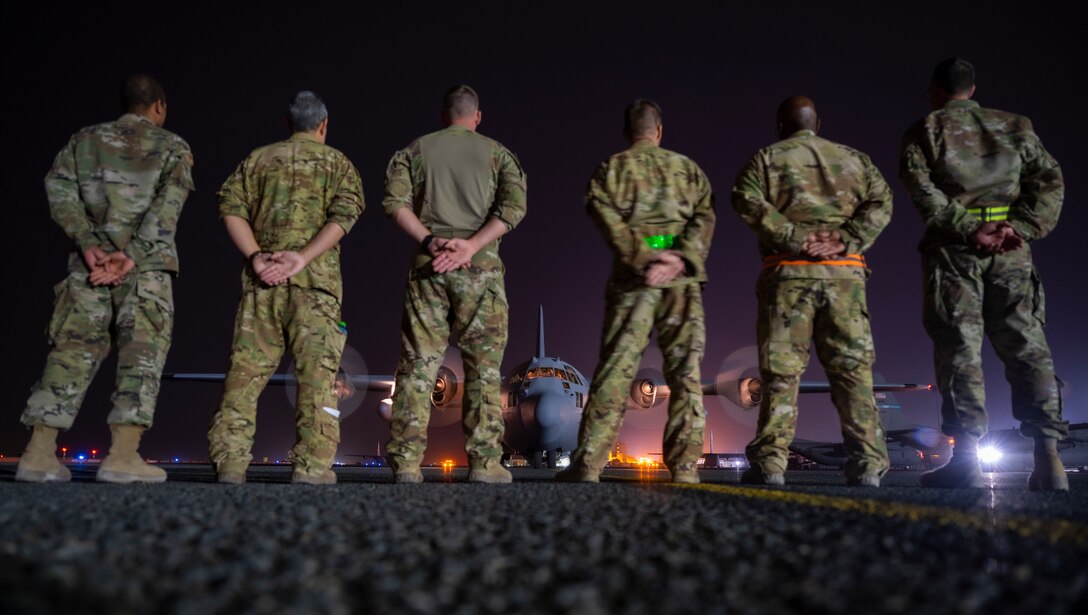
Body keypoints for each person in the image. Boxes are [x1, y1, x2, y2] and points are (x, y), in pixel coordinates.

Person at [16, 74, 194, 483]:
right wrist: (129, 256)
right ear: (159, 107)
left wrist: (87, 242)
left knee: (71, 352)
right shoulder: (172, 147)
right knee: (141, 357)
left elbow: (58, 189)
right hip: (145, 270)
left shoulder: (84, 141)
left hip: (90, 266)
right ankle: (122, 457)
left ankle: (38, 454)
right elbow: (167, 210)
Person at [900, 58, 1068, 490]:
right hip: (1011, 250)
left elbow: (926, 196)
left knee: (959, 355)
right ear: (971, 90)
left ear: (936, 90)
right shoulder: (1015, 125)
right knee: (1028, 347)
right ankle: (1049, 460)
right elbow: (1050, 181)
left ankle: (966, 462)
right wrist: (1020, 227)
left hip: (956, 255)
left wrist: (970, 228)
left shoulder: (926, 131)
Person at [733, 96, 892, 487]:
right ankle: (868, 466)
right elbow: (882, 203)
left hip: (789, 278)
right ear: (817, 122)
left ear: (780, 126)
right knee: (852, 373)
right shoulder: (856, 160)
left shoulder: (767, 159)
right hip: (845, 279)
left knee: (781, 376)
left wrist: (795, 237)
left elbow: (745, 198)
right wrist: (845, 239)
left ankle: (771, 465)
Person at [208, 91, 364, 485]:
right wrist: (303, 258)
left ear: (287, 124)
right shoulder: (338, 164)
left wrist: (257, 256)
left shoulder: (258, 160)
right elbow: (344, 217)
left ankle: (230, 463)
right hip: (315, 289)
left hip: (262, 287)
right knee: (317, 380)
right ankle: (312, 468)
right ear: (323, 125)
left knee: (244, 376)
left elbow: (230, 207)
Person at [556, 99, 714, 484]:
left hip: (633, 281)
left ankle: (589, 465)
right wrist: (678, 259)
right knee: (685, 374)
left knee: (614, 372)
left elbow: (603, 216)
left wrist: (644, 257)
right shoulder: (688, 170)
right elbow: (704, 216)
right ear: (659, 131)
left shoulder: (611, 170)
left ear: (627, 133)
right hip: (681, 282)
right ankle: (685, 469)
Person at [382, 85, 527, 484]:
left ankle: (407, 465)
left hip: (430, 269)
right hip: (480, 272)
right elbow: (514, 208)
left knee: (418, 367)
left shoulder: (416, 150)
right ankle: (484, 464)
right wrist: (471, 246)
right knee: (482, 369)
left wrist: (431, 241)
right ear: (477, 117)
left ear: (444, 114)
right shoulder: (498, 154)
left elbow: (394, 203)